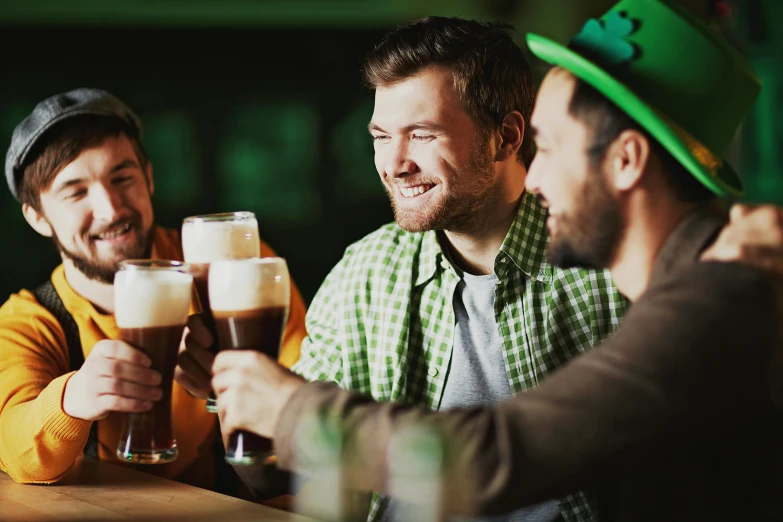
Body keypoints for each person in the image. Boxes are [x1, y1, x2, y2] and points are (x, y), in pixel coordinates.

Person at [211, 1, 782, 521]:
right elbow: (289, 478)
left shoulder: (710, 305)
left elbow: (491, 457)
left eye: (551, 146)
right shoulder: (717, 279)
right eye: (381, 136)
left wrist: (292, 407)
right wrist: (245, 411)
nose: (534, 176)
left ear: (627, 160)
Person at [183, 16, 626, 522]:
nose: (393, 163)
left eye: (421, 134)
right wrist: (233, 398)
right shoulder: (366, 271)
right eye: (380, 135)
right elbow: (281, 477)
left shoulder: (607, 268)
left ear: (505, 137)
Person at [0, 88, 308, 494]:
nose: (110, 209)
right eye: (76, 192)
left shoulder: (231, 265)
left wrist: (241, 391)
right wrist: (71, 399)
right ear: (38, 217)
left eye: (122, 178)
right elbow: (15, 449)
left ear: (148, 177)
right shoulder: (30, 319)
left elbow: (311, 403)